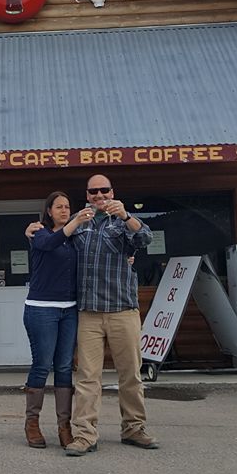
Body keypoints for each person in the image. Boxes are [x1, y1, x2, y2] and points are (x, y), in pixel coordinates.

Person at [65, 173, 157, 456]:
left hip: (122, 310)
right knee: (87, 377)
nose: (99, 195)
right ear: (87, 195)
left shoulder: (122, 220)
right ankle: (84, 435)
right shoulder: (79, 221)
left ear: (112, 192)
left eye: (104, 190)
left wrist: (126, 216)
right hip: (89, 312)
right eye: (93, 191)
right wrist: (33, 232)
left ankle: (134, 429)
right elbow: (57, 242)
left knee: (130, 375)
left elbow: (146, 238)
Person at [19, 191, 93, 449]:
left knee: (64, 367)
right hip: (41, 309)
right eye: (59, 207)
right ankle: (32, 423)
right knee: (42, 365)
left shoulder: (75, 239)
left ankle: (64, 427)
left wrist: (127, 258)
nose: (64, 210)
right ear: (49, 211)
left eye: (67, 207)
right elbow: (50, 243)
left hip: (69, 309)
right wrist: (76, 221)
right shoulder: (39, 232)